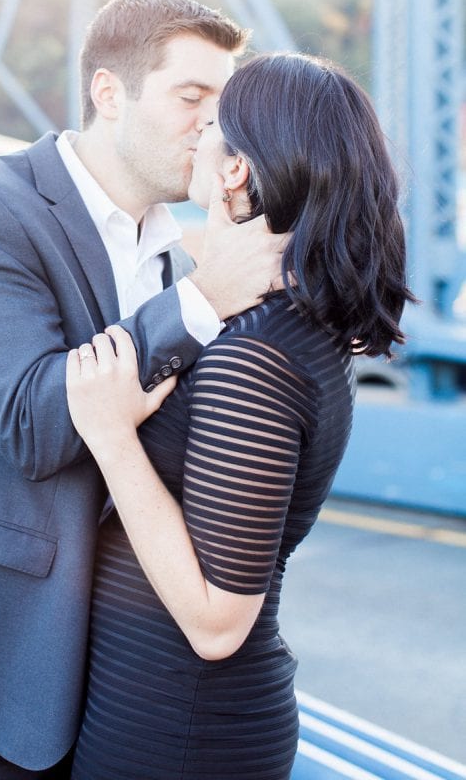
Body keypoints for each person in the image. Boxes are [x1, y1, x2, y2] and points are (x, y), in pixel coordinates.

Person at [0, 0, 286, 779]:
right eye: (192, 98)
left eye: (225, 105)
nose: (215, 127)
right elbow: (33, 424)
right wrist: (206, 300)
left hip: (108, 684)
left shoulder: (179, 261)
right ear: (109, 94)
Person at [66, 52, 415, 780]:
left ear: (234, 171)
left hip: (180, 729)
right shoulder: (285, 328)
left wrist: (110, 435)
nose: (197, 130)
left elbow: (217, 623)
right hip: (167, 712)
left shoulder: (253, 355)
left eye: (215, 122)